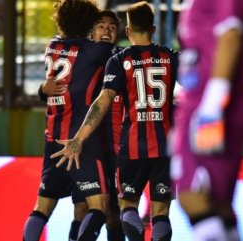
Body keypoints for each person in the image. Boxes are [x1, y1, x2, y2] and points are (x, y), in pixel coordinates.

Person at [51, 2, 177, 241]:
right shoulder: (170, 57)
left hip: (130, 148)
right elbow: (201, 86)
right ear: (153, 29)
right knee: (161, 214)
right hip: (164, 147)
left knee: (127, 207)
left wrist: (78, 138)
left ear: (126, 32)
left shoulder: (118, 61)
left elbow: (102, 100)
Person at [22, 1, 114, 241]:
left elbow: (57, 82)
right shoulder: (97, 51)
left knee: (42, 207)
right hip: (81, 141)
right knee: (99, 207)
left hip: (52, 138)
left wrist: (43, 89)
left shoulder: (52, 46)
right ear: (89, 25)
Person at [170, 0, 243, 240]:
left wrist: (213, 105)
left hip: (210, 107)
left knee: (191, 196)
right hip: (202, 105)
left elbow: (231, 35)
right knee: (217, 203)